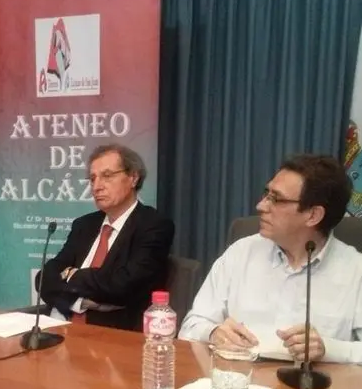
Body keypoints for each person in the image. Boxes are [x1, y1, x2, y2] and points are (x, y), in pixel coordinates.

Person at [179, 154, 362, 364]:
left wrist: (328, 349)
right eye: (266, 194)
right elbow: (191, 326)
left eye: (276, 199)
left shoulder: (356, 270)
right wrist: (213, 333)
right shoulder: (241, 253)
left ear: (313, 215)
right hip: (240, 378)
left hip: (313, 383)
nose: (261, 206)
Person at [38, 143, 175, 331]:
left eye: (107, 176)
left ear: (133, 178)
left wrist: (71, 275)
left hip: (111, 334)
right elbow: (44, 279)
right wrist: (81, 302)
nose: (96, 187)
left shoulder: (153, 225)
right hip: (57, 324)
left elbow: (123, 285)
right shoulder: (84, 225)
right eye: (92, 179)